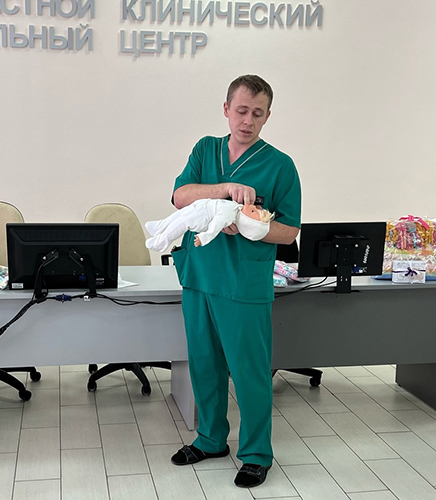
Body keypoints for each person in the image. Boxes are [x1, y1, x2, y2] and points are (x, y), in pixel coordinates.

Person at [169, 74, 301, 488]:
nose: (248, 121)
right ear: (226, 109)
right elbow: (180, 196)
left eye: (257, 113)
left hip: (243, 283)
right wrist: (224, 190)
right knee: (204, 365)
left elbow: (289, 231)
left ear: (267, 116)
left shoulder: (279, 166)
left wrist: (251, 225)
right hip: (199, 275)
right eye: (241, 111)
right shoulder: (205, 150)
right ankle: (210, 440)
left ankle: (257, 453)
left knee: (249, 372)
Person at [145, 199, 273, 252]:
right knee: (177, 216)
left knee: (179, 224)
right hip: (200, 206)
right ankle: (159, 227)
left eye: (252, 211)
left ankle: (160, 243)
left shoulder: (229, 215)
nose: (253, 206)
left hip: (201, 216)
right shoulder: (237, 208)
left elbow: (215, 227)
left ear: (246, 221)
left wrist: (204, 237)